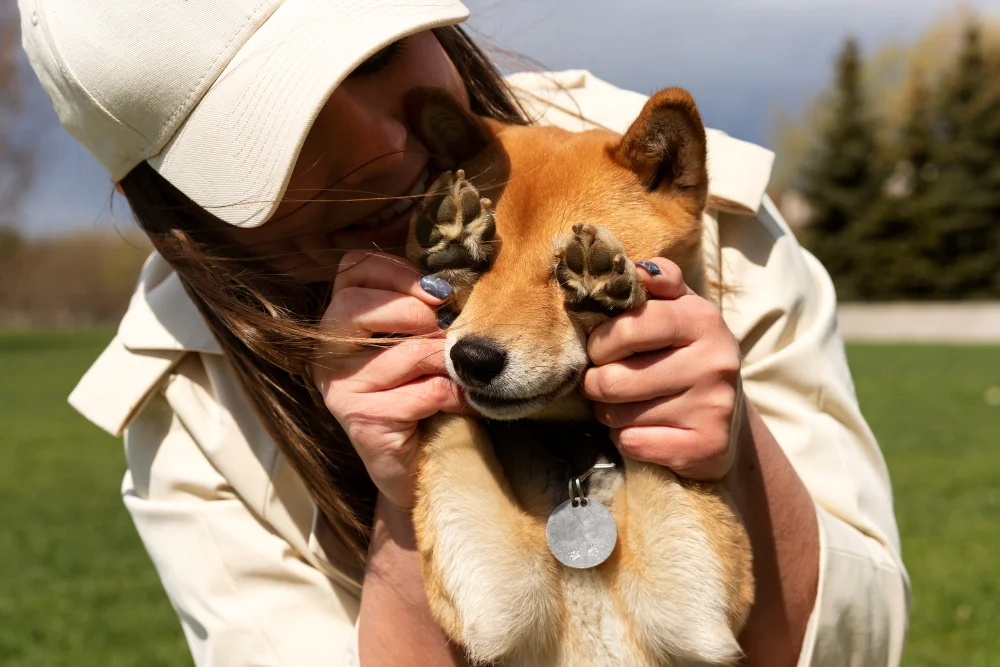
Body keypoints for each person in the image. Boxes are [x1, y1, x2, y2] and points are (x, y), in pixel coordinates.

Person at [22, 0, 909, 665]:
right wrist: (407, 508)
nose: (391, 144)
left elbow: (860, 645)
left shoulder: (690, 212)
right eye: (278, 143)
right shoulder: (185, 404)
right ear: (173, 208)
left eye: (373, 59)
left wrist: (736, 451)